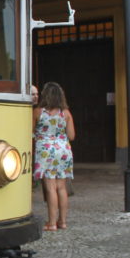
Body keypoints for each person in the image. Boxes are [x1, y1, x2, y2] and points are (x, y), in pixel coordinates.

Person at [33, 81, 75, 231]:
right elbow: (71, 135)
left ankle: (51, 223)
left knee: (50, 188)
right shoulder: (66, 113)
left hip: (45, 151)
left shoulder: (39, 112)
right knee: (61, 187)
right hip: (63, 150)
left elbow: (30, 132)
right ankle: (62, 222)